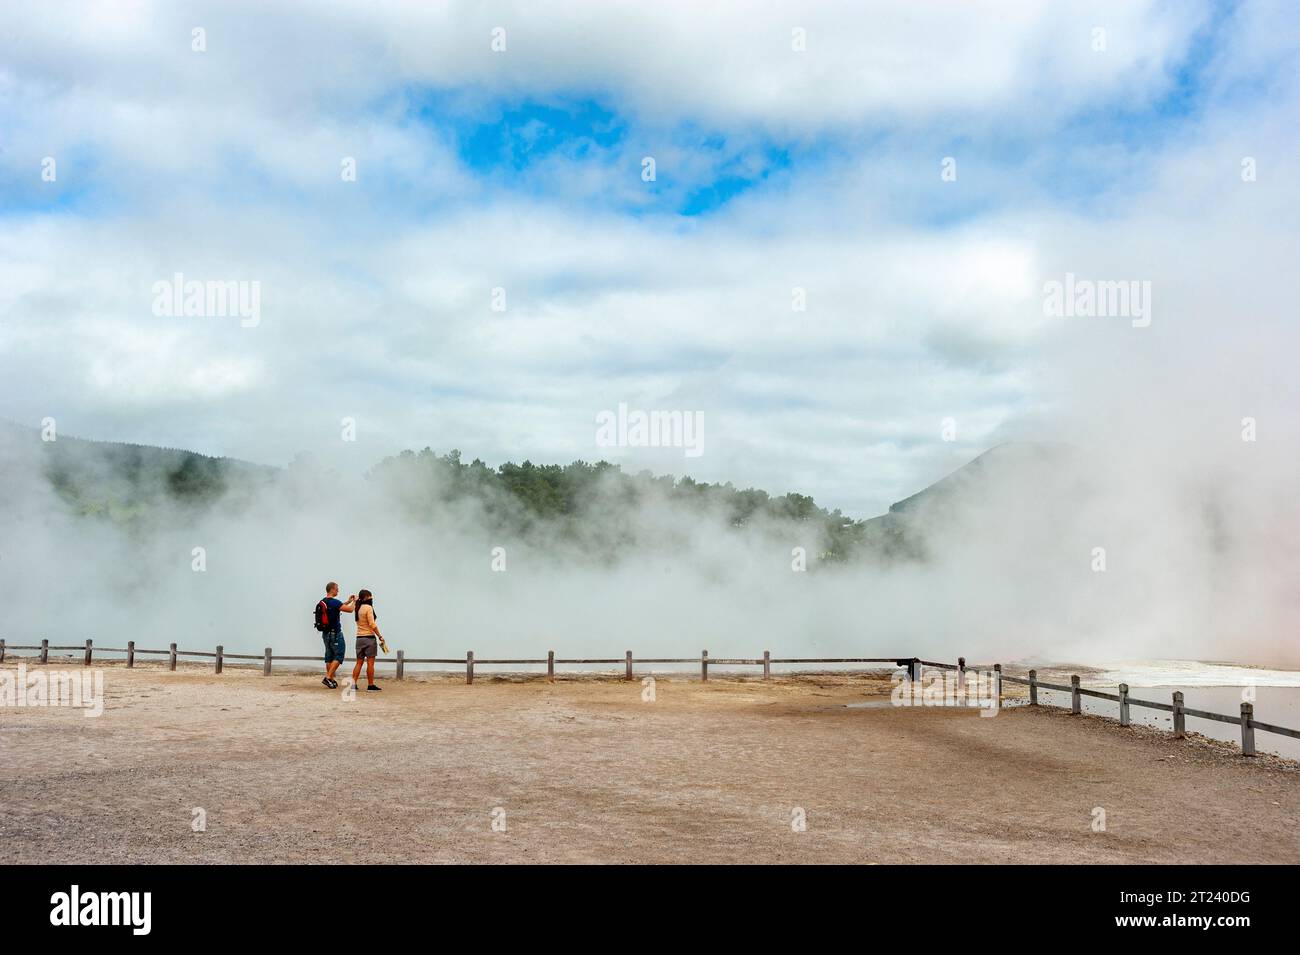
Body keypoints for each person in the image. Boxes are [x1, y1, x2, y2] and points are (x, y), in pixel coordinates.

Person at [319, 582, 355, 689]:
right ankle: (328, 677)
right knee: (339, 655)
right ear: (332, 590)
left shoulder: (323, 601)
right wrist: (354, 602)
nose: (338, 591)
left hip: (325, 634)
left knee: (329, 657)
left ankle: (331, 680)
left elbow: (337, 608)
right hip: (335, 633)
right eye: (337, 589)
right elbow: (350, 610)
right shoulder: (334, 602)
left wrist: (348, 601)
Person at [350, 589, 385, 692]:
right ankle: (370, 685)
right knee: (370, 664)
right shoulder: (368, 608)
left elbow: (357, 600)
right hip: (369, 638)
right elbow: (372, 624)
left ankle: (353, 685)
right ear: (366, 597)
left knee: (359, 663)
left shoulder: (357, 607)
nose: (372, 599)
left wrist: (355, 599)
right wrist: (380, 636)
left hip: (359, 638)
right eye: (370, 597)